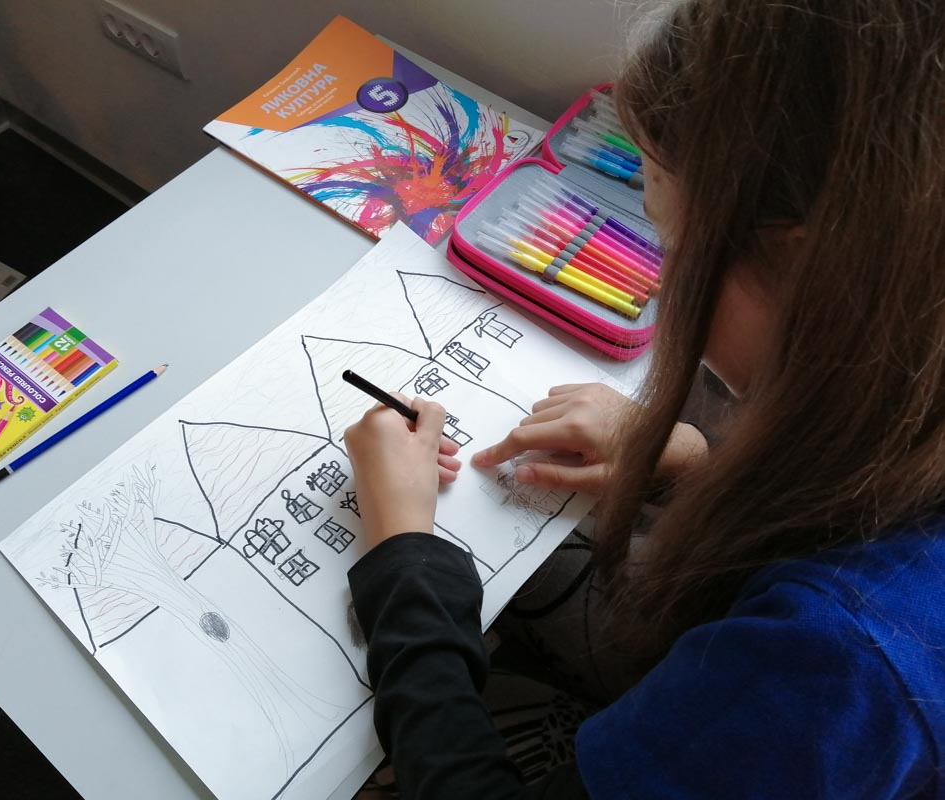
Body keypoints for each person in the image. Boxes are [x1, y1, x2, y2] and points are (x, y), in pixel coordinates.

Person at [342, 0, 945, 797]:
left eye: (671, 243)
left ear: (809, 276)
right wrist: (693, 463)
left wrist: (403, 555)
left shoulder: (830, 668)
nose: (660, 280)